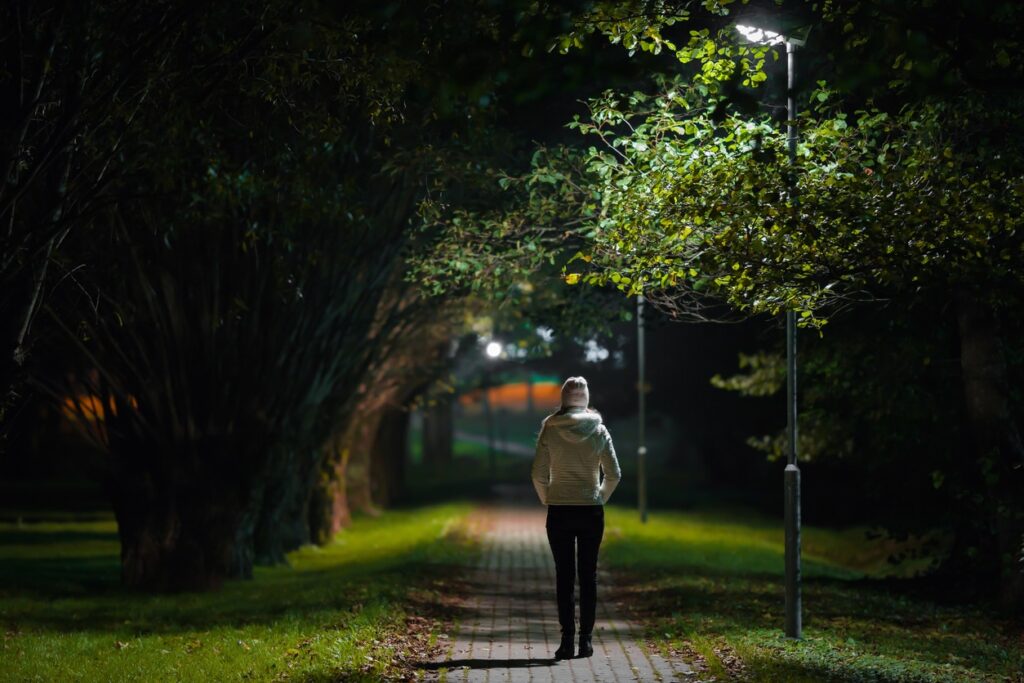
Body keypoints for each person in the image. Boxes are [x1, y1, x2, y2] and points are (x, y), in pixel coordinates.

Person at [531, 376, 622, 660]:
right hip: (590, 511)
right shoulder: (598, 429)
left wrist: (548, 497)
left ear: (563, 398)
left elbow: (537, 473)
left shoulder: (550, 427)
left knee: (564, 576)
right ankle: (586, 641)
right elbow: (614, 474)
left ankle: (566, 640)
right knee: (588, 576)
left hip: (559, 509)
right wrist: (598, 497)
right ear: (585, 398)